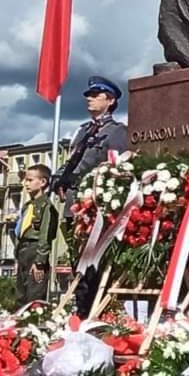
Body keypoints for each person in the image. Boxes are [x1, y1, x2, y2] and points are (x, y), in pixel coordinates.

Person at [53, 76, 128, 316]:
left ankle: (93, 312)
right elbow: (72, 160)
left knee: (94, 264)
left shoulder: (117, 132)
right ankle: (80, 308)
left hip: (93, 206)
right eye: (89, 95)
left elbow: (116, 167)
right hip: (73, 205)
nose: (89, 99)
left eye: (96, 95)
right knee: (77, 261)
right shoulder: (83, 131)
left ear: (110, 100)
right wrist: (57, 179)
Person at [14, 164, 58, 306]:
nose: (26, 184)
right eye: (25, 180)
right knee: (20, 295)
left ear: (43, 182)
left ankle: (34, 318)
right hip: (23, 251)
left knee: (34, 295)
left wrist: (40, 262)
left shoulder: (46, 206)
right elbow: (20, 232)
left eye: (30, 180)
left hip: (35, 251)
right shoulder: (27, 206)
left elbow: (45, 235)